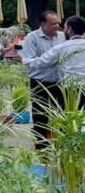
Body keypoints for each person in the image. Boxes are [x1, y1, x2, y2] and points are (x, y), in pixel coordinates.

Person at [18, 11, 64, 142]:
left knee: (61, 116)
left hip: (59, 83)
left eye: (57, 23)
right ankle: (42, 151)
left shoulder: (62, 36)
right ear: (43, 24)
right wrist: (50, 60)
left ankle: (60, 148)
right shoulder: (32, 37)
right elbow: (31, 61)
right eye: (53, 23)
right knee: (40, 117)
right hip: (40, 83)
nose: (57, 26)